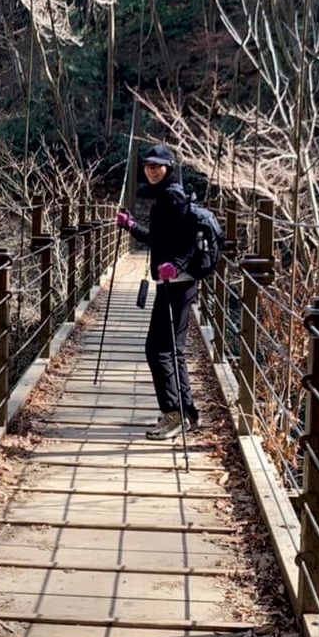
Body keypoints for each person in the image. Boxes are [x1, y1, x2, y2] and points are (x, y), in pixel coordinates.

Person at [116, 144, 201, 440]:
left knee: (158, 350)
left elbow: (188, 240)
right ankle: (186, 412)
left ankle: (173, 414)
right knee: (172, 350)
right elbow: (159, 239)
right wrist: (131, 227)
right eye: (148, 165)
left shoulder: (172, 196)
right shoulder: (167, 195)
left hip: (176, 283)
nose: (151, 170)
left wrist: (175, 266)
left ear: (169, 167)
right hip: (176, 282)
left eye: (157, 165)